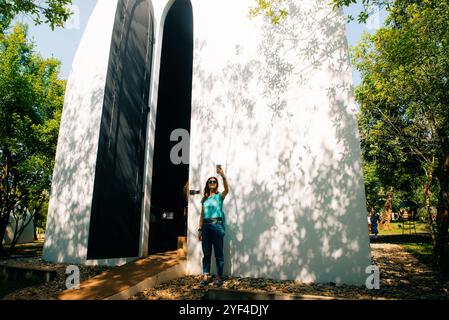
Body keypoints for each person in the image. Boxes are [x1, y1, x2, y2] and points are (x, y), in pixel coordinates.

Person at [198, 166, 229, 287]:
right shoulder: (204, 199)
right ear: (207, 184)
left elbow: (227, 189)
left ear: (216, 184)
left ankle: (218, 277)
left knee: (218, 253)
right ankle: (205, 276)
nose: (212, 183)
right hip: (205, 227)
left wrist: (222, 175)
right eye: (210, 181)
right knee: (206, 253)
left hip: (217, 225)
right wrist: (199, 229)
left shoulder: (219, 197)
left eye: (214, 182)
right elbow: (201, 215)